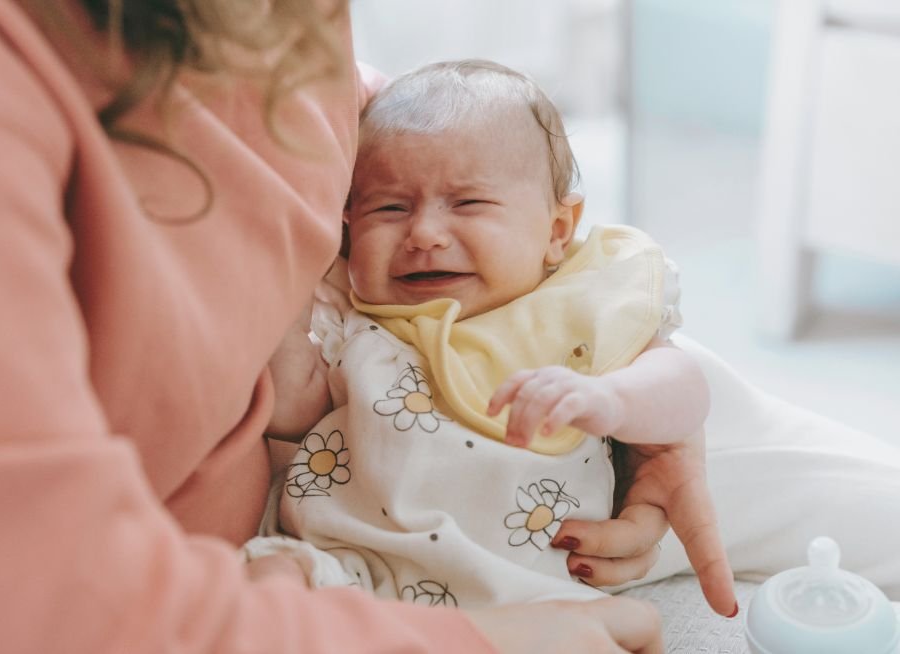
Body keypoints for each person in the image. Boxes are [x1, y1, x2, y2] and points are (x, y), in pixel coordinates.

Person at [0, 1, 727, 652]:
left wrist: (639, 408)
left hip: (567, 449)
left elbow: (381, 117)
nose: (424, 231)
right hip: (284, 553)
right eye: (390, 212)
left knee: (850, 518)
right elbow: (42, 606)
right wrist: (501, 637)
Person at [254, 59, 722, 609]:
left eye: (467, 203)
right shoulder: (358, 321)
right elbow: (291, 411)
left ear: (556, 231)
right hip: (348, 568)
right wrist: (281, 302)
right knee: (269, 581)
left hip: (530, 590)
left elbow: (684, 385)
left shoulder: (576, 307)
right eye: (389, 208)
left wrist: (612, 399)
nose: (424, 234)